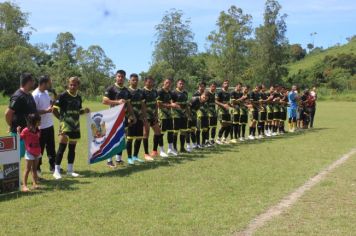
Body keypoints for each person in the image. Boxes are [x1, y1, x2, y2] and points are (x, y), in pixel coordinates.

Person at [52, 77, 90, 179]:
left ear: (78, 86)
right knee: (62, 147)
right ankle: (56, 170)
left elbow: (78, 111)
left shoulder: (78, 97)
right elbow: (54, 110)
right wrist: (62, 120)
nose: (72, 86)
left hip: (75, 126)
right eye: (71, 84)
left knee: (72, 148)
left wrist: (84, 111)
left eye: (75, 85)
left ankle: (70, 170)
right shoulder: (63, 95)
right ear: (68, 85)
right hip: (65, 126)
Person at [102, 70, 135, 167]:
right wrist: (117, 102)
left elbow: (128, 104)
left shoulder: (126, 90)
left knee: (121, 138)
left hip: (123, 117)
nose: (120, 78)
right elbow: (104, 101)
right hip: (112, 116)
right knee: (112, 138)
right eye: (119, 76)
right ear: (116, 77)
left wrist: (132, 115)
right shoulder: (111, 88)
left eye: (122, 77)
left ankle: (119, 160)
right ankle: (109, 161)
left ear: (125, 78)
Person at [5, 73, 37, 158]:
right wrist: (11, 125)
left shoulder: (29, 95)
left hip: (29, 132)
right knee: (15, 157)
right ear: (29, 82)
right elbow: (8, 113)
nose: (34, 83)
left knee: (26, 155)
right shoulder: (18, 96)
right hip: (19, 133)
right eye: (32, 81)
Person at [32, 75, 56, 174]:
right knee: (40, 148)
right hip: (40, 126)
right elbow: (33, 111)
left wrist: (53, 104)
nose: (49, 85)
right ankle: (37, 168)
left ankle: (53, 166)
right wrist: (45, 111)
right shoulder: (35, 95)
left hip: (49, 124)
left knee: (51, 147)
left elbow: (49, 103)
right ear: (43, 83)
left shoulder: (46, 92)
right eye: (48, 83)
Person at [18, 113, 42, 192]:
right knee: (27, 169)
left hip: (37, 152)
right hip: (29, 153)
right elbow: (20, 138)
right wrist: (18, 131)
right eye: (39, 121)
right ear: (33, 121)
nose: (40, 122)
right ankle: (24, 186)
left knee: (34, 169)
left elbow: (38, 138)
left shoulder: (38, 129)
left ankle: (35, 184)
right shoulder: (26, 130)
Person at [126, 74, 147, 164]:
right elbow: (126, 105)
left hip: (139, 117)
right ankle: (129, 157)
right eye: (133, 80)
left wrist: (144, 115)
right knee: (130, 138)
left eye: (136, 80)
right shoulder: (127, 91)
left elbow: (143, 104)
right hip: (130, 117)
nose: (135, 81)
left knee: (139, 137)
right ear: (129, 81)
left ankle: (135, 156)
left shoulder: (140, 91)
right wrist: (129, 116)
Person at [157, 78, 178, 156]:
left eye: (169, 83)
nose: (168, 84)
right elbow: (159, 104)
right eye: (166, 82)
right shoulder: (160, 91)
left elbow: (171, 101)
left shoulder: (170, 92)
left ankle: (170, 149)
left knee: (170, 131)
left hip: (169, 114)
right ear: (163, 82)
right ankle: (162, 150)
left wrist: (175, 105)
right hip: (162, 115)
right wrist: (171, 105)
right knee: (161, 132)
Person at [142, 76, 161, 159]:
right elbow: (142, 105)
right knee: (146, 134)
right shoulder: (142, 91)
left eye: (152, 82)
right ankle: (146, 154)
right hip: (146, 116)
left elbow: (156, 103)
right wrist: (144, 116)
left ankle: (154, 151)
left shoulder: (155, 91)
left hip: (153, 115)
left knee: (158, 132)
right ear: (145, 82)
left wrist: (156, 114)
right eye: (149, 82)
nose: (150, 83)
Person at [171, 79, 190, 153]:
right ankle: (174, 148)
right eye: (180, 83)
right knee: (175, 132)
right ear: (177, 84)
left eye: (182, 84)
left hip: (184, 115)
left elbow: (186, 105)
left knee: (183, 131)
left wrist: (188, 114)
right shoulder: (173, 92)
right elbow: (171, 104)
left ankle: (182, 148)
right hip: (176, 115)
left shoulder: (185, 93)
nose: (181, 85)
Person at [193, 82, 210, 148]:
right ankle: (198, 143)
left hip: (205, 113)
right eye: (200, 86)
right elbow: (193, 104)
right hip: (198, 114)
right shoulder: (196, 94)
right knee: (198, 129)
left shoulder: (207, 93)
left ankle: (203, 143)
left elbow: (208, 103)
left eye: (203, 86)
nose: (201, 87)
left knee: (205, 129)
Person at [216, 80, 232, 144]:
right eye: (225, 83)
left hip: (227, 111)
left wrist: (231, 105)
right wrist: (223, 105)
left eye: (227, 83)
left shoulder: (228, 93)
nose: (226, 84)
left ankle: (224, 139)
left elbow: (228, 102)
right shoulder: (219, 92)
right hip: (221, 110)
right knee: (224, 125)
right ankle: (218, 139)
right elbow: (216, 101)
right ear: (223, 84)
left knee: (229, 125)